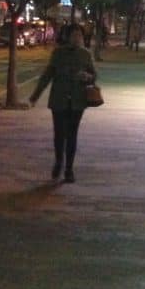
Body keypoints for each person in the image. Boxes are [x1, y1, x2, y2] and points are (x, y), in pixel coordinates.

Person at [29, 22, 96, 183]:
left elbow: (93, 75)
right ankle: (58, 162)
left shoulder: (85, 54)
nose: (77, 38)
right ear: (67, 37)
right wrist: (35, 95)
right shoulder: (58, 54)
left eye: (79, 35)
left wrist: (88, 77)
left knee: (72, 135)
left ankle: (69, 169)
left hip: (77, 101)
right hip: (59, 100)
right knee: (59, 135)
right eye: (74, 35)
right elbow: (47, 75)